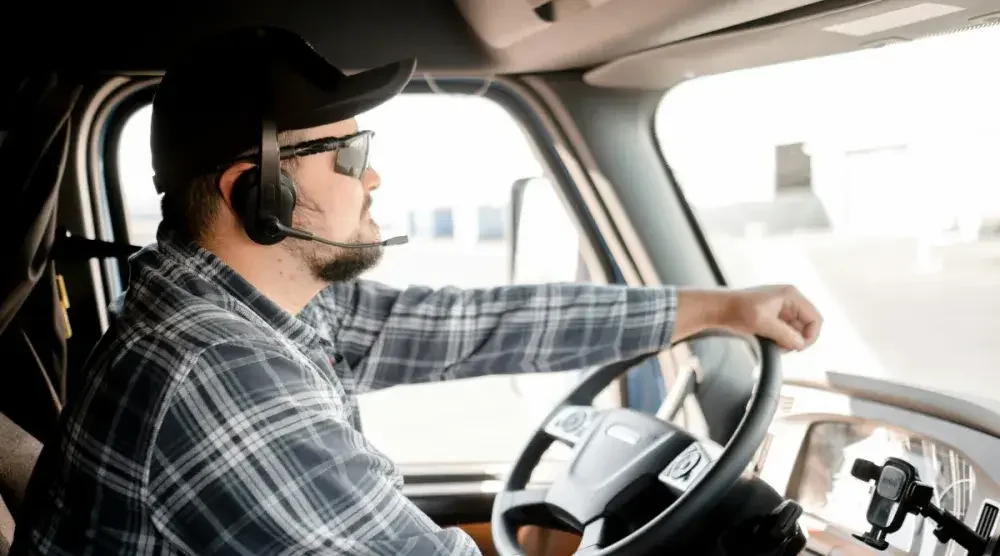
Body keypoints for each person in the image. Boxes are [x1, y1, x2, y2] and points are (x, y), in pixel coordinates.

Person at [12, 27, 822, 556]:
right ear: (258, 193)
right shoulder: (218, 375)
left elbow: (468, 327)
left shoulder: (240, 306)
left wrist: (717, 310)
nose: (373, 176)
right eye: (347, 152)